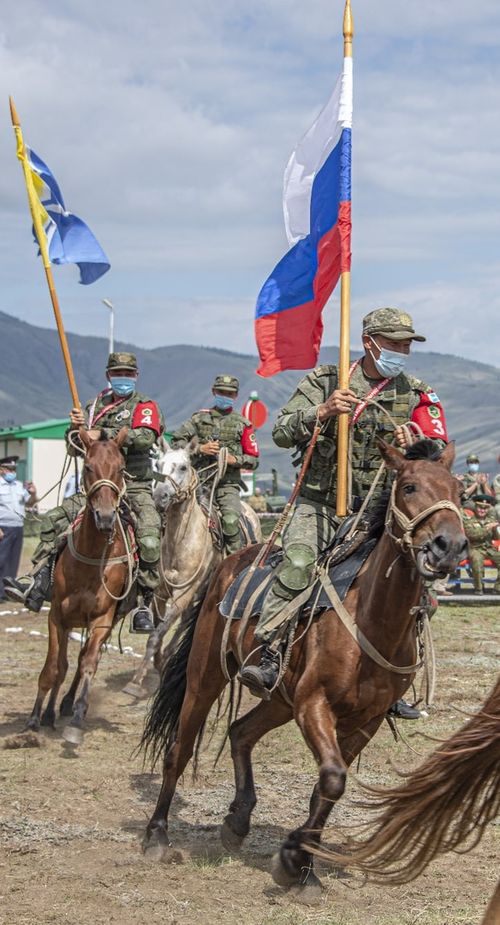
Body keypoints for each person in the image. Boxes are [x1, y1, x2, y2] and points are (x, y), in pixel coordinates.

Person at [240, 307, 448, 714]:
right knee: (298, 564)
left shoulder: (417, 392)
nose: (402, 350)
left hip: (378, 510)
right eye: (394, 343)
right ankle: (269, 653)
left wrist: (418, 442)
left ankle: (395, 678)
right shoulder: (327, 380)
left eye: (406, 344)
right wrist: (321, 411)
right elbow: (281, 431)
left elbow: (436, 452)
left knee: (413, 583)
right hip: (320, 503)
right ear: (369, 342)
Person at [4, 353, 164, 633]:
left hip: (133, 484)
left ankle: (143, 602)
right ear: (108, 375)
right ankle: (38, 580)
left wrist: (99, 431)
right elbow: (73, 447)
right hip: (95, 487)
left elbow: (144, 437)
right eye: (117, 373)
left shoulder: (144, 406)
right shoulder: (92, 407)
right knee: (54, 520)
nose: (122, 378)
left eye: (127, 373)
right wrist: (76, 428)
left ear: (136, 376)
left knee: (150, 539)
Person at [170, 375, 259, 554]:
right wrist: (199, 449)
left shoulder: (243, 425)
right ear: (213, 392)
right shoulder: (198, 420)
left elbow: (254, 460)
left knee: (231, 521)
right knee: (169, 516)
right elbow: (175, 443)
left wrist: (234, 460)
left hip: (227, 485)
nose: (225, 395)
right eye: (221, 392)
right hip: (197, 485)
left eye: (229, 393)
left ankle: (233, 566)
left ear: (235, 395)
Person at [0, 456, 37, 601]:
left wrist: (33, 493)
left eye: (14, 469)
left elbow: (29, 504)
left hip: (18, 527)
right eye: (9, 469)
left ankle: (6, 591)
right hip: (3, 528)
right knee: (1, 560)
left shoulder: (18, 486)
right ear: (1, 469)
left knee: (12, 562)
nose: (12, 472)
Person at [462, 495, 500, 595]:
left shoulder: (490, 520)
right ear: (475, 507)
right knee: (477, 562)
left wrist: (495, 529)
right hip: (475, 548)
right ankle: (479, 589)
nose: (482, 510)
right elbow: (472, 536)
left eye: (485, 508)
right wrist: (487, 528)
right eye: (480, 508)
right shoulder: (469, 520)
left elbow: (496, 538)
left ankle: (497, 588)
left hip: (489, 548)